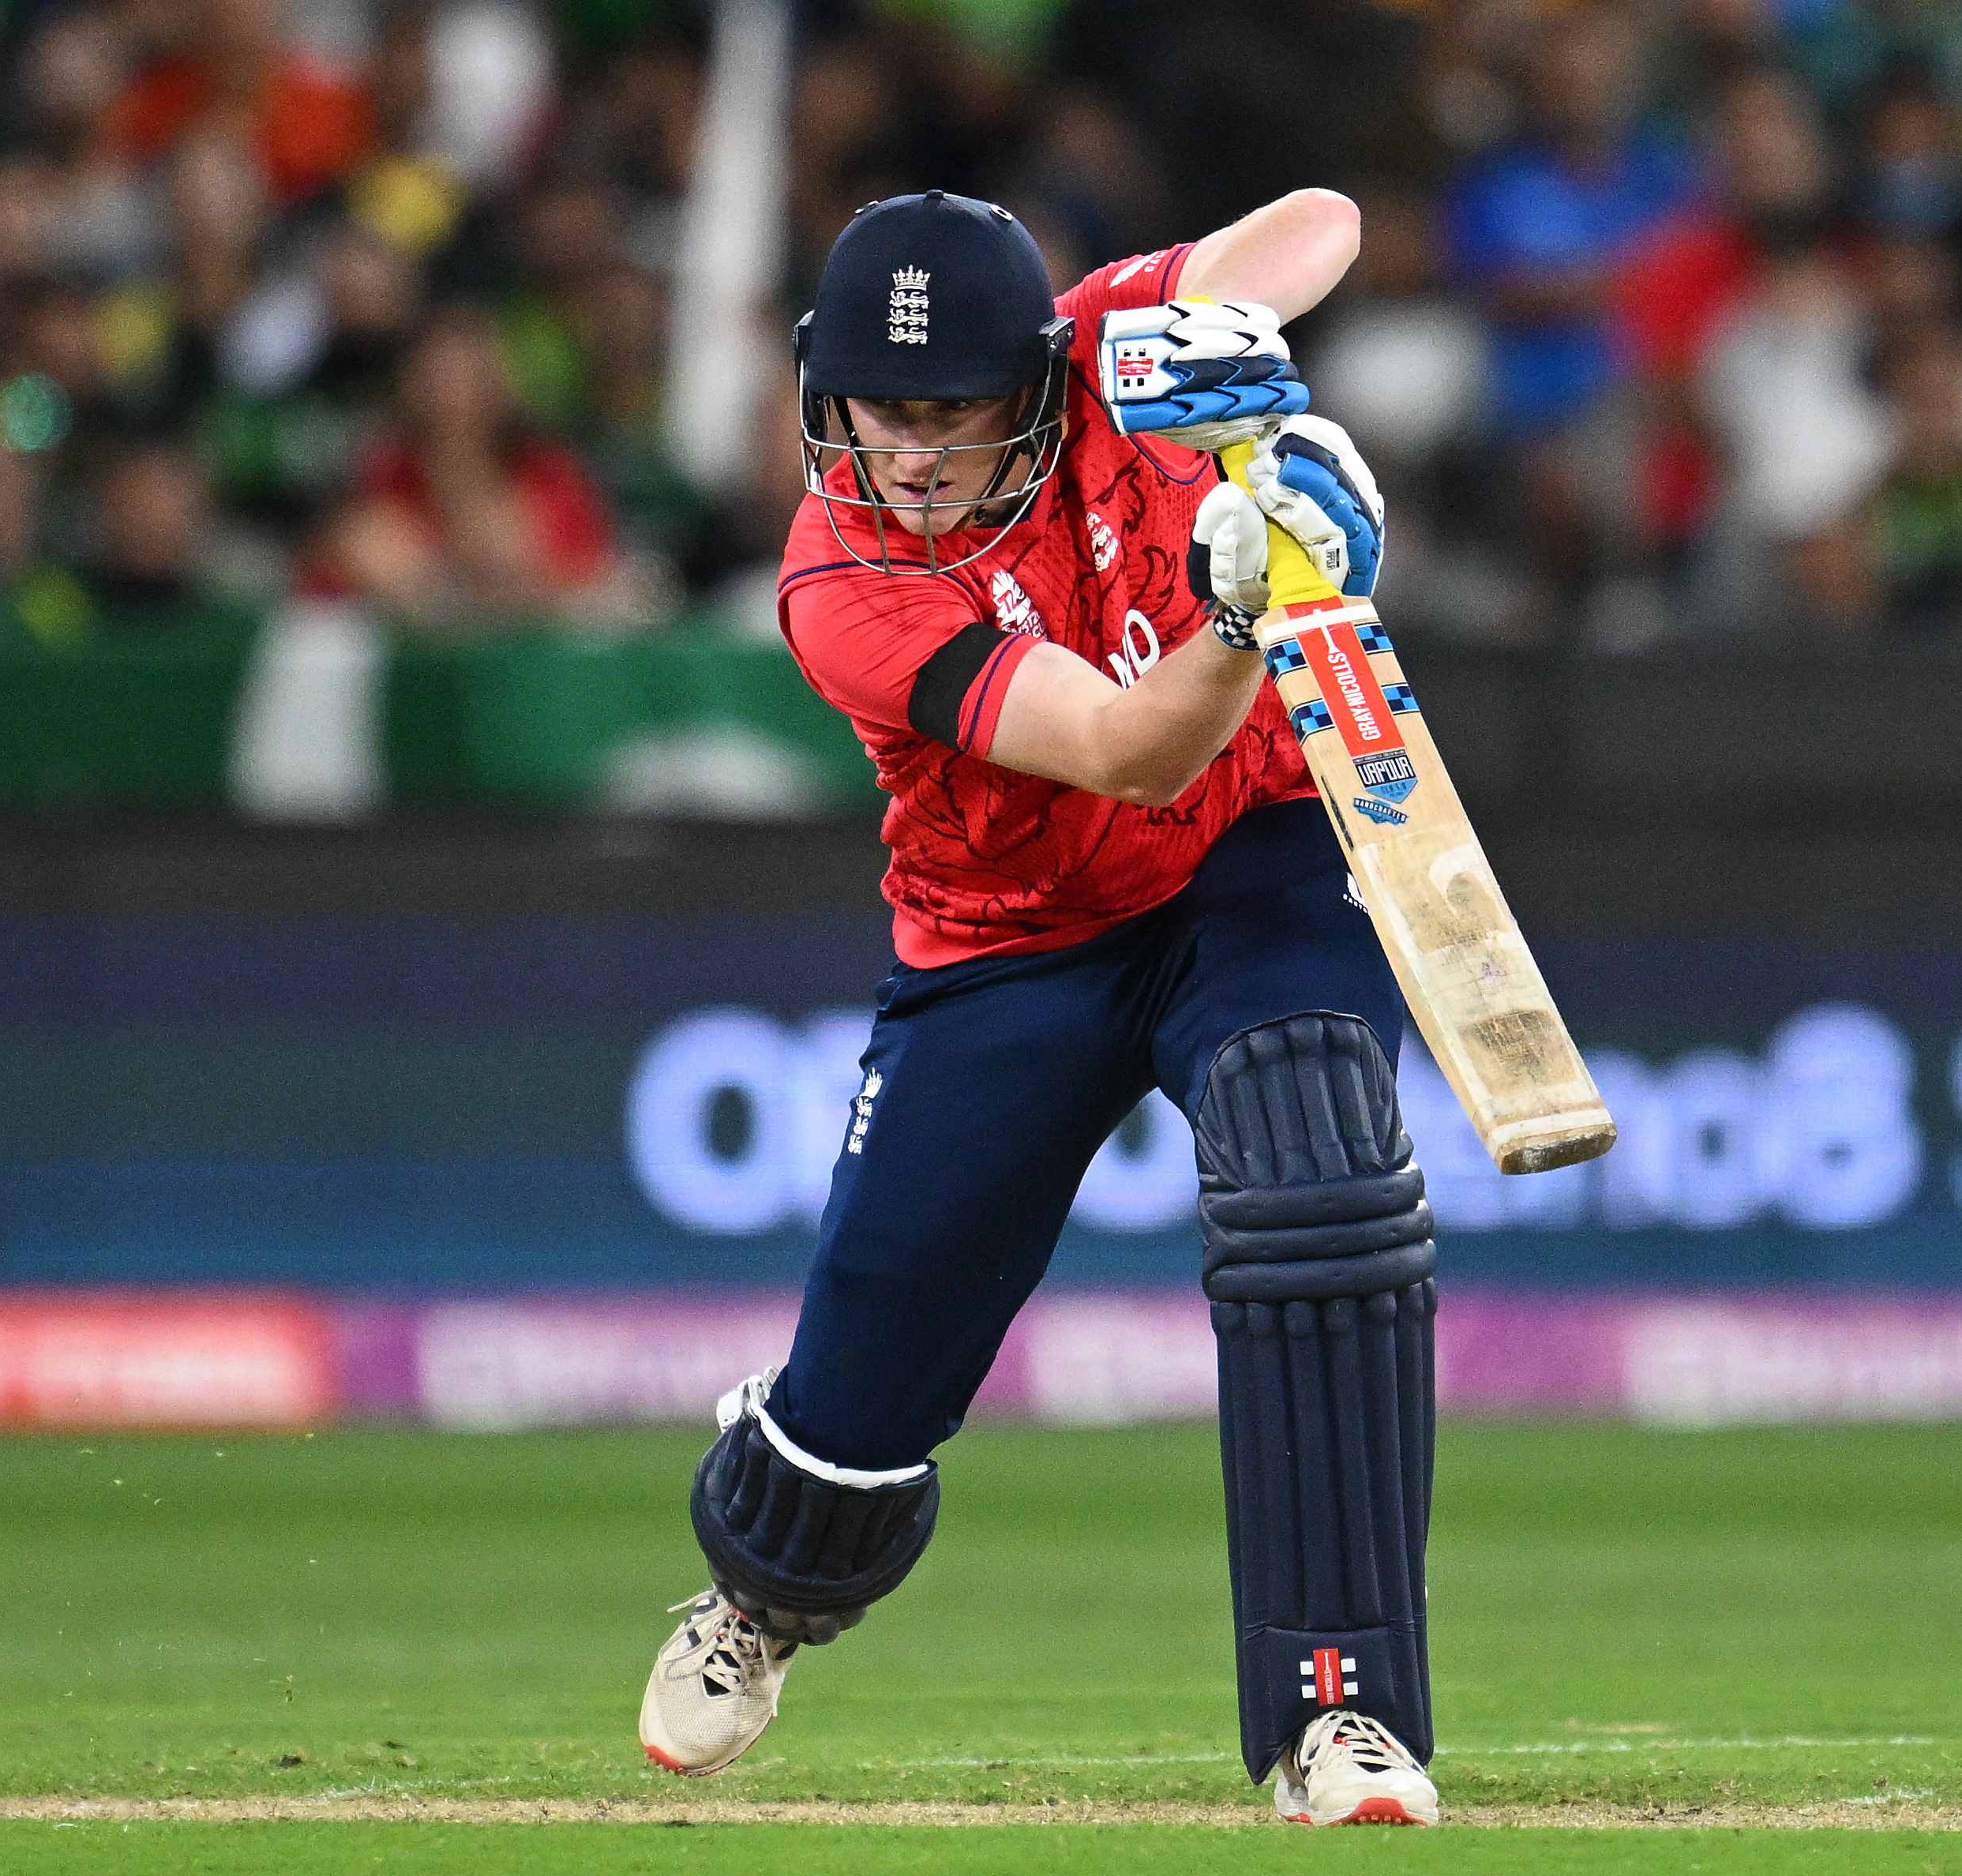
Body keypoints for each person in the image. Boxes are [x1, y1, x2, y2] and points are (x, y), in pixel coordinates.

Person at [633, 188, 1442, 1829]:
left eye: (952, 412)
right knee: (854, 1402)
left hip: (1251, 864)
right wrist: (1246, 607)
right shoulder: (840, 581)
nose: (912, 454)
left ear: (1044, 378)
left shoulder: (1115, 351)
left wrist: (1228, 340)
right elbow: (1133, 747)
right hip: (1009, 937)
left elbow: (1321, 225)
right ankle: (766, 1598)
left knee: (1324, 1188)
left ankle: (1339, 1720)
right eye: (879, 410)